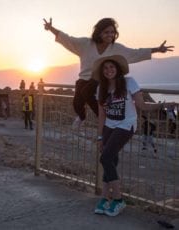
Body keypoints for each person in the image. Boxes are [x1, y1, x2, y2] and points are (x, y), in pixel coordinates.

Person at [43, 17, 174, 129]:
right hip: (83, 79)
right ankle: (82, 117)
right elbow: (67, 39)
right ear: (99, 32)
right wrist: (51, 28)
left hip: (100, 79)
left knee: (87, 92)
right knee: (77, 103)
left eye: (112, 32)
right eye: (106, 32)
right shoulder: (85, 44)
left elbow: (135, 52)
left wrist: (157, 49)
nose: (110, 35)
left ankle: (104, 119)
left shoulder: (116, 48)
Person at [92, 55, 174, 217]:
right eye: (106, 68)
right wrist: (100, 136)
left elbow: (142, 105)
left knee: (106, 158)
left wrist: (163, 105)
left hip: (126, 125)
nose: (109, 70)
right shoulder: (101, 88)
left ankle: (118, 199)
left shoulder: (129, 82)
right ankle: (104, 198)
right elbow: (101, 114)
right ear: (102, 72)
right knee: (110, 159)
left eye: (112, 67)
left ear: (118, 68)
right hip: (109, 125)